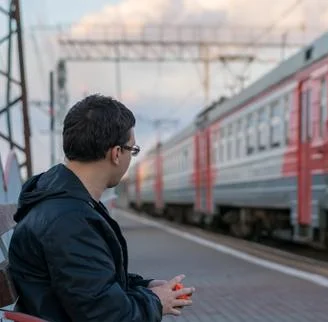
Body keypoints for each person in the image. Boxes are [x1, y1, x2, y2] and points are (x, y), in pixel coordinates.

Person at [8, 94, 194, 321]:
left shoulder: (64, 204)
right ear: (116, 153)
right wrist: (156, 301)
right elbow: (108, 316)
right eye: (132, 150)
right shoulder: (69, 220)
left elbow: (90, 283)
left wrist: (147, 287)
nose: (130, 157)